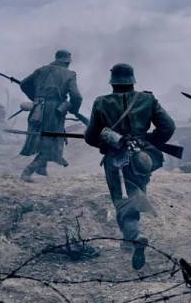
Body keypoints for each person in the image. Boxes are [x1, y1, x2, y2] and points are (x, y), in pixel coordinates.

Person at [84, 63, 176, 270]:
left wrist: (108, 142)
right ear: (133, 80)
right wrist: (148, 140)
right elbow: (168, 127)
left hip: (116, 158)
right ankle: (128, 239)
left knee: (122, 199)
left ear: (112, 82)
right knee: (135, 193)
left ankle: (135, 235)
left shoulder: (100, 103)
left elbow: (90, 137)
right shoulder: (148, 99)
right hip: (143, 157)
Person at [19, 50, 83, 181]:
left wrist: (36, 98)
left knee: (43, 138)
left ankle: (41, 168)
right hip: (54, 111)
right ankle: (28, 170)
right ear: (66, 61)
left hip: (37, 109)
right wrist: (73, 109)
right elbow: (76, 96)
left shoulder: (40, 70)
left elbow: (24, 84)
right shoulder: (70, 74)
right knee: (52, 142)